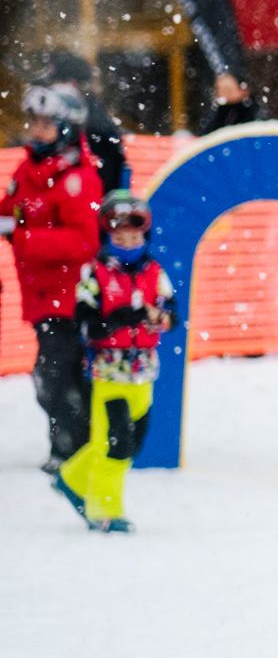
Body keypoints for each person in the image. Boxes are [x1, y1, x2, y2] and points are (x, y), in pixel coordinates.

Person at [52, 190, 176, 533]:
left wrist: (161, 318)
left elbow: (170, 312)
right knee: (115, 446)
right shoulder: (95, 275)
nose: (127, 240)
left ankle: (72, 479)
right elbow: (88, 325)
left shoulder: (154, 272)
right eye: (119, 234)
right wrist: (129, 315)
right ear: (108, 234)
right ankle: (104, 511)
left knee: (129, 443)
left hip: (143, 372)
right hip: (109, 373)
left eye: (134, 234)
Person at [3, 84, 105, 472]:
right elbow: (11, 209)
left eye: (47, 123)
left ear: (66, 126)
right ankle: (68, 446)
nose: (37, 129)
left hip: (68, 298)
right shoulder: (30, 168)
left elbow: (84, 240)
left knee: (54, 378)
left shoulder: (79, 176)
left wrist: (24, 238)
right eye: (35, 122)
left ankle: (73, 449)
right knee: (55, 377)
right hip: (40, 295)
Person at [43, 51, 129, 191]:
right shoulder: (90, 114)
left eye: (56, 84)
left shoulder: (88, 122)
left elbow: (102, 180)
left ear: (72, 84)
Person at [200, 72, 264, 134]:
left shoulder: (256, 113)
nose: (222, 94)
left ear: (243, 90)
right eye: (218, 90)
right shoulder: (219, 113)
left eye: (228, 90)